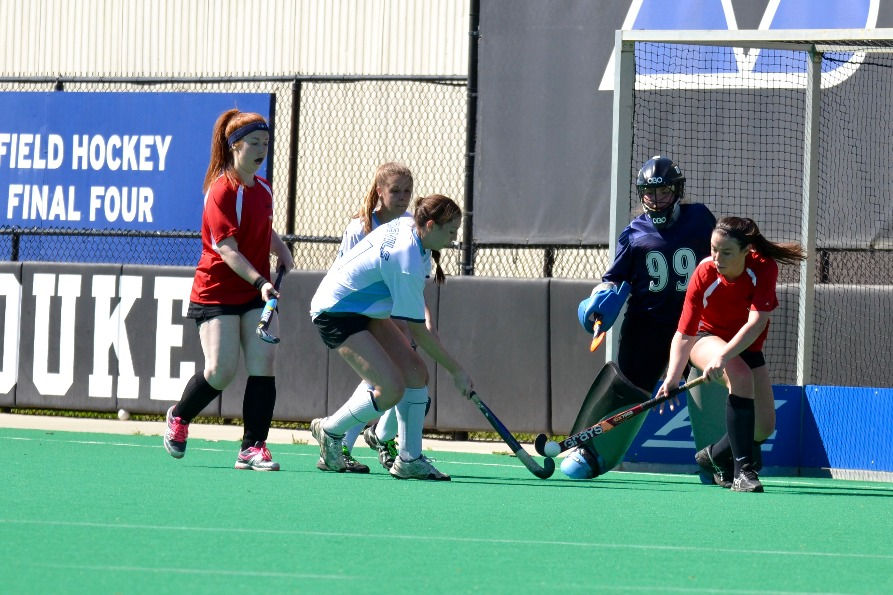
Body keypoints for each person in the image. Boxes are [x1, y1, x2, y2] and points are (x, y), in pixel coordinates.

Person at [562, 156, 716, 479]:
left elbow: (721, 258)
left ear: (678, 191)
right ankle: (592, 451)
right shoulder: (633, 234)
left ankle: (715, 459)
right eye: (650, 193)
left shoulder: (701, 220)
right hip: (647, 326)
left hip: (695, 325)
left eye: (664, 192)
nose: (657, 200)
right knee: (628, 386)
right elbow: (614, 279)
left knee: (708, 380)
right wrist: (596, 304)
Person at [162, 108, 294, 471]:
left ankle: (253, 447)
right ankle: (179, 416)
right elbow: (227, 249)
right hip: (217, 292)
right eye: (254, 143)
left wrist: (281, 250)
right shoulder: (220, 190)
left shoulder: (263, 189)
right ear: (234, 146)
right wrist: (262, 282)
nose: (261, 149)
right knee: (221, 371)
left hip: (254, 294)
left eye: (265, 142)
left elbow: (262, 227)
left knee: (263, 364)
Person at [309, 194, 473, 481]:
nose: (454, 238)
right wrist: (457, 371)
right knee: (390, 389)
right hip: (336, 311)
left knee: (416, 374)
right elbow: (419, 333)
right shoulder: (406, 258)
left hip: (365, 309)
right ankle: (330, 430)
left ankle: (410, 459)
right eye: (450, 231)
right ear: (431, 226)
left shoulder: (412, 226)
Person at [656, 216, 805, 493]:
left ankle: (713, 456)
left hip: (745, 344)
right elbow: (685, 333)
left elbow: (756, 323)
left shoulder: (763, 268)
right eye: (714, 249)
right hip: (705, 339)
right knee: (740, 376)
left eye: (726, 252)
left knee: (763, 428)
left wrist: (724, 356)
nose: (717, 258)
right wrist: (673, 377)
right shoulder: (704, 273)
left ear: (747, 250)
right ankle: (742, 472)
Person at [318, 161, 428, 474]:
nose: (403, 197)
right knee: (385, 380)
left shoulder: (410, 225)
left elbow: (414, 280)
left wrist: (417, 319)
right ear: (380, 191)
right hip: (358, 312)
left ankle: (377, 439)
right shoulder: (360, 227)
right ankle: (351, 439)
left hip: (392, 312)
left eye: (407, 191)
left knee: (407, 377)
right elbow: (345, 273)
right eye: (396, 191)